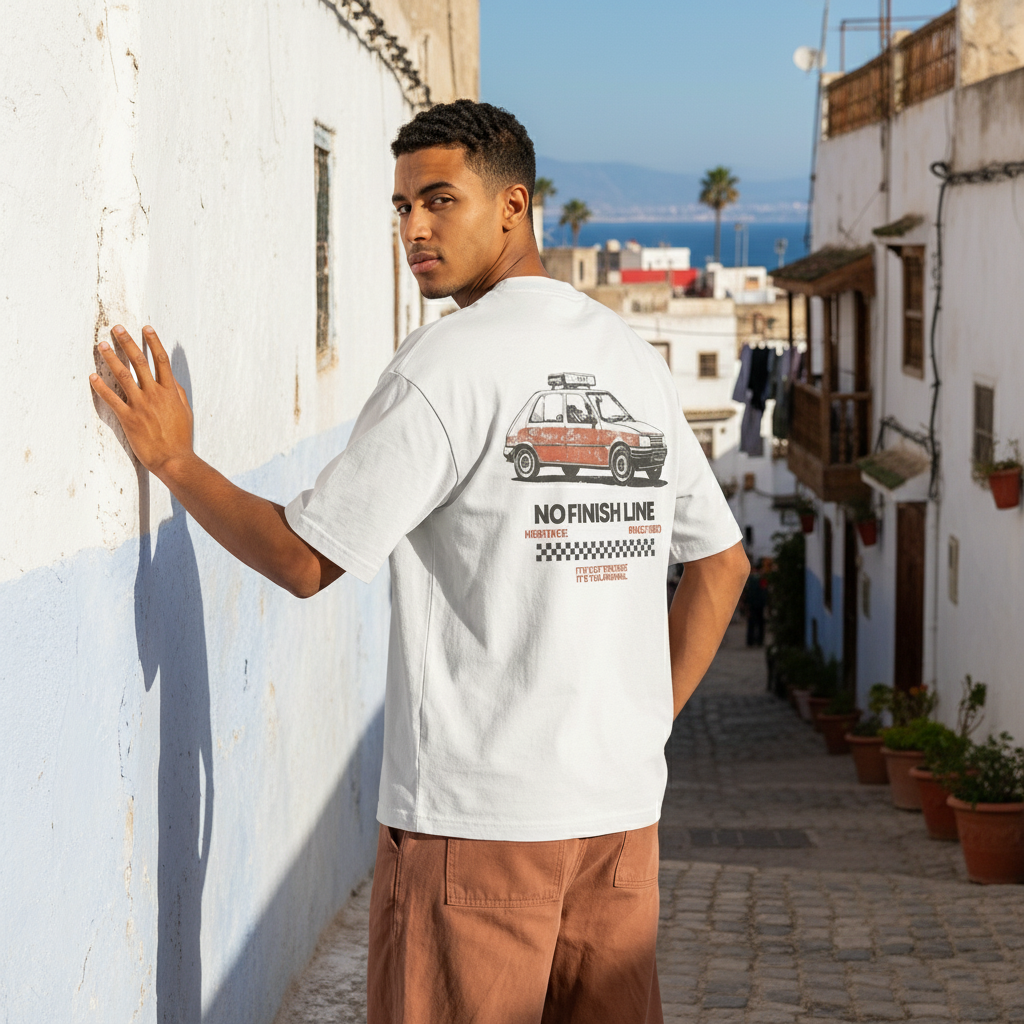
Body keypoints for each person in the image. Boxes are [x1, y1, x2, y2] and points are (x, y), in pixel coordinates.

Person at [90, 100, 749, 1024]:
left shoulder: (447, 366)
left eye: (440, 200)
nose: (415, 230)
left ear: (514, 206)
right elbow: (723, 564)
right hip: (619, 826)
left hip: (476, 832)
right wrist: (640, 725)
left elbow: (305, 560)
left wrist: (174, 462)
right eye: (402, 207)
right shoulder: (628, 356)